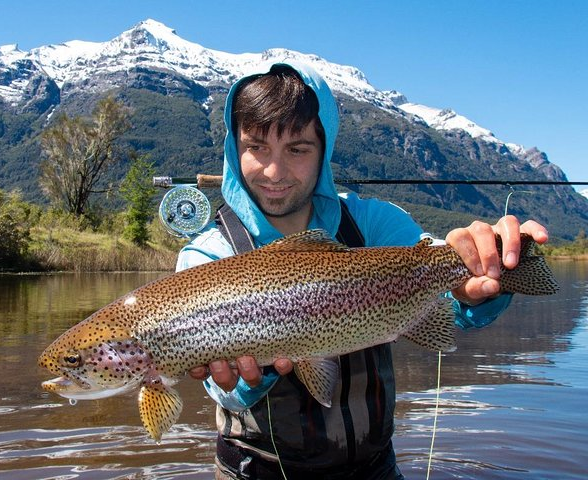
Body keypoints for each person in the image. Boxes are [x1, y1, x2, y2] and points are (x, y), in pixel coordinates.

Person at [175, 60, 548, 479]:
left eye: (297, 149)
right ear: (234, 148)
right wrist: (246, 379)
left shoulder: (372, 225)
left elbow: (453, 303)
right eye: (256, 147)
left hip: (374, 467)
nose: (274, 172)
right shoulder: (207, 257)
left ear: (324, 150)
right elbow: (224, 395)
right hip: (256, 470)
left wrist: (487, 271)